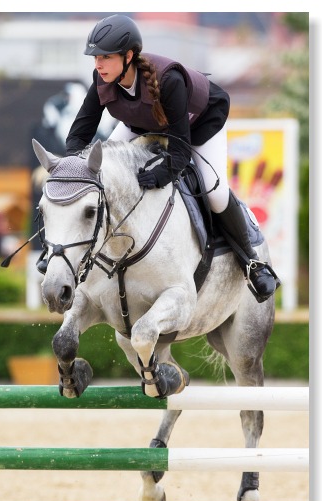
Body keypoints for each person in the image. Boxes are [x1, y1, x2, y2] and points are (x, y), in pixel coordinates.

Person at [65, 14, 278, 302]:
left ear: (128, 56)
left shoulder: (169, 81)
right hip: (142, 122)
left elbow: (179, 148)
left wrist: (162, 174)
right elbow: (80, 133)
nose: (98, 64)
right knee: (101, 172)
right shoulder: (102, 78)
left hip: (200, 123)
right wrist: (72, 167)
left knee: (214, 192)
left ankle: (253, 263)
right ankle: (71, 257)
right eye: (95, 58)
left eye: (105, 57)